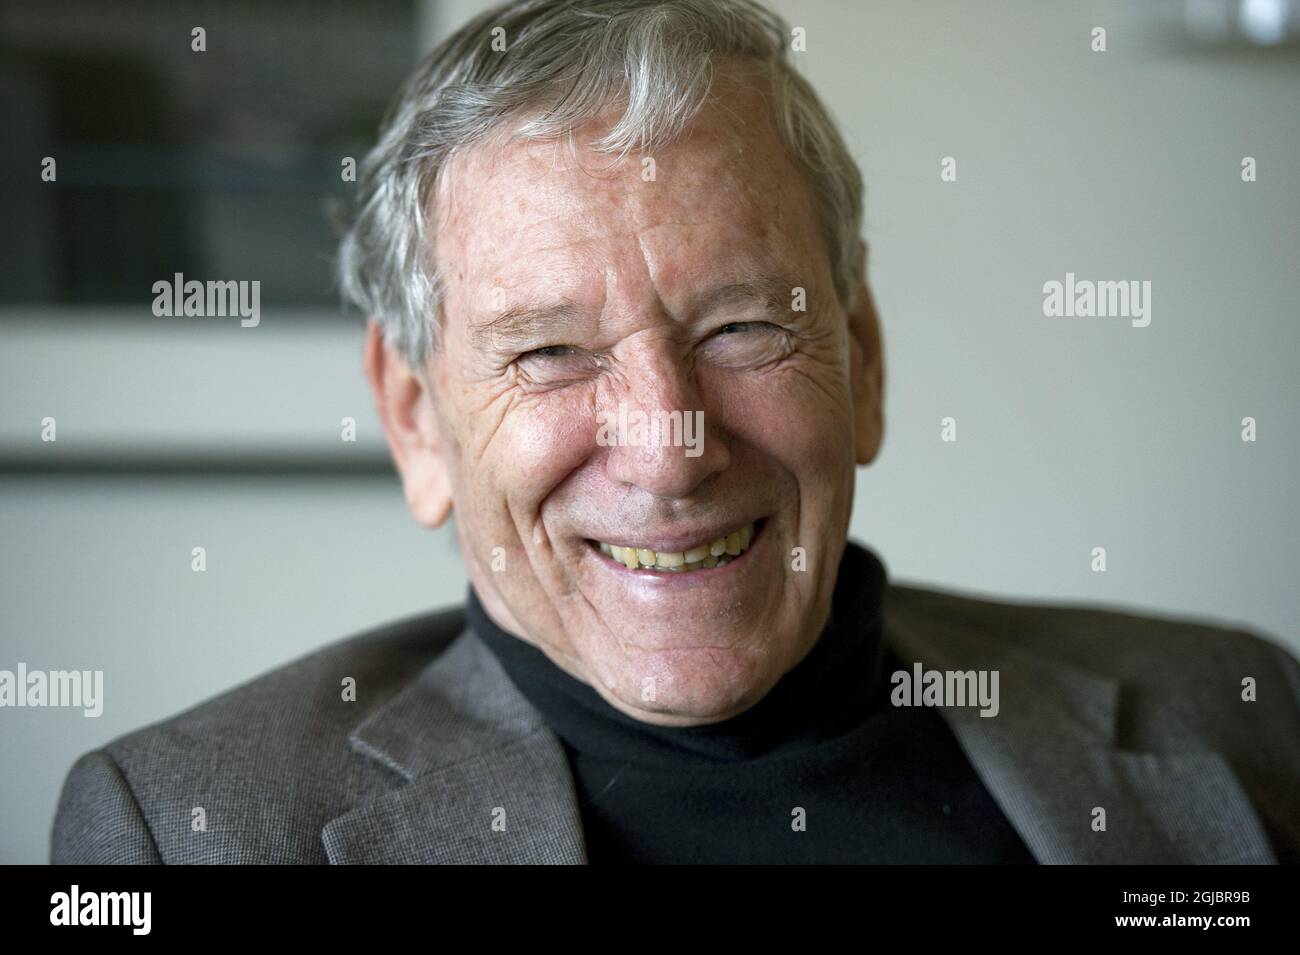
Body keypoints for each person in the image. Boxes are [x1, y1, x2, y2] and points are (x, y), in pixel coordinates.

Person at [51, 0, 1299, 864]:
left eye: (743, 325)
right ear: (417, 417)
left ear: (860, 361)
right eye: (548, 352)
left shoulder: (1234, 714)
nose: (669, 446)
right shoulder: (188, 828)